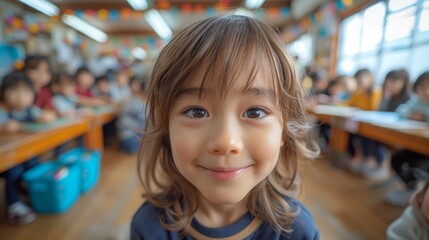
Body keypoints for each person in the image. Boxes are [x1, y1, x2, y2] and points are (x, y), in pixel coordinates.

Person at [131, 15, 320, 239]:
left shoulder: (298, 232)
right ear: (166, 127)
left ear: (284, 130)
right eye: (197, 112)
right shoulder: (148, 226)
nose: (225, 142)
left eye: (255, 112)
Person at [0, 72, 55, 225]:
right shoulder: (2, 110)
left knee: (35, 164)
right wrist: (3, 127)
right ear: (2, 92)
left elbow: (50, 116)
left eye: (26, 92)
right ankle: (14, 205)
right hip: (7, 159)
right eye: (14, 90)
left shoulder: (30, 109)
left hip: (25, 154)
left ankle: (30, 193)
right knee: (15, 170)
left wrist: (46, 116)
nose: (20, 97)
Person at [385, 71, 429, 207]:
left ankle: (420, 192)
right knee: (396, 159)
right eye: (422, 87)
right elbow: (401, 111)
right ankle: (412, 188)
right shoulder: (417, 102)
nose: (426, 91)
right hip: (416, 145)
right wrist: (411, 115)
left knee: (419, 167)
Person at [360, 69, 411, 179]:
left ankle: (381, 166)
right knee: (367, 135)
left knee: (379, 140)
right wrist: (386, 98)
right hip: (385, 129)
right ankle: (372, 162)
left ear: (403, 83)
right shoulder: (386, 95)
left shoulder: (408, 99)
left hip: (400, 133)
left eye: (395, 81)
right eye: (389, 81)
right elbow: (380, 111)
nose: (391, 84)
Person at [116, 76, 146, 154]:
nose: (134, 87)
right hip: (130, 134)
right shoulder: (133, 100)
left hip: (135, 132)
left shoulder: (138, 100)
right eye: (133, 84)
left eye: (137, 85)